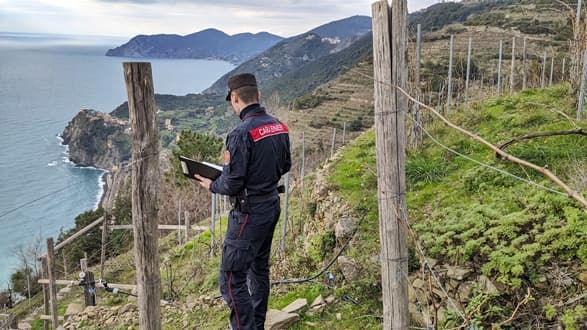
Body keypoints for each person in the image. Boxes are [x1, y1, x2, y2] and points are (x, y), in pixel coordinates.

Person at [195, 73, 291, 330]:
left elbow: (232, 183)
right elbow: (285, 165)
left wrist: (212, 184)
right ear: (258, 96)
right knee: (259, 269)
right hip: (271, 205)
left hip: (248, 214)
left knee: (231, 278)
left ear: (235, 98)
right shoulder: (279, 126)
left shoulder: (239, 134)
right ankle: (256, 324)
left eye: (232, 100)